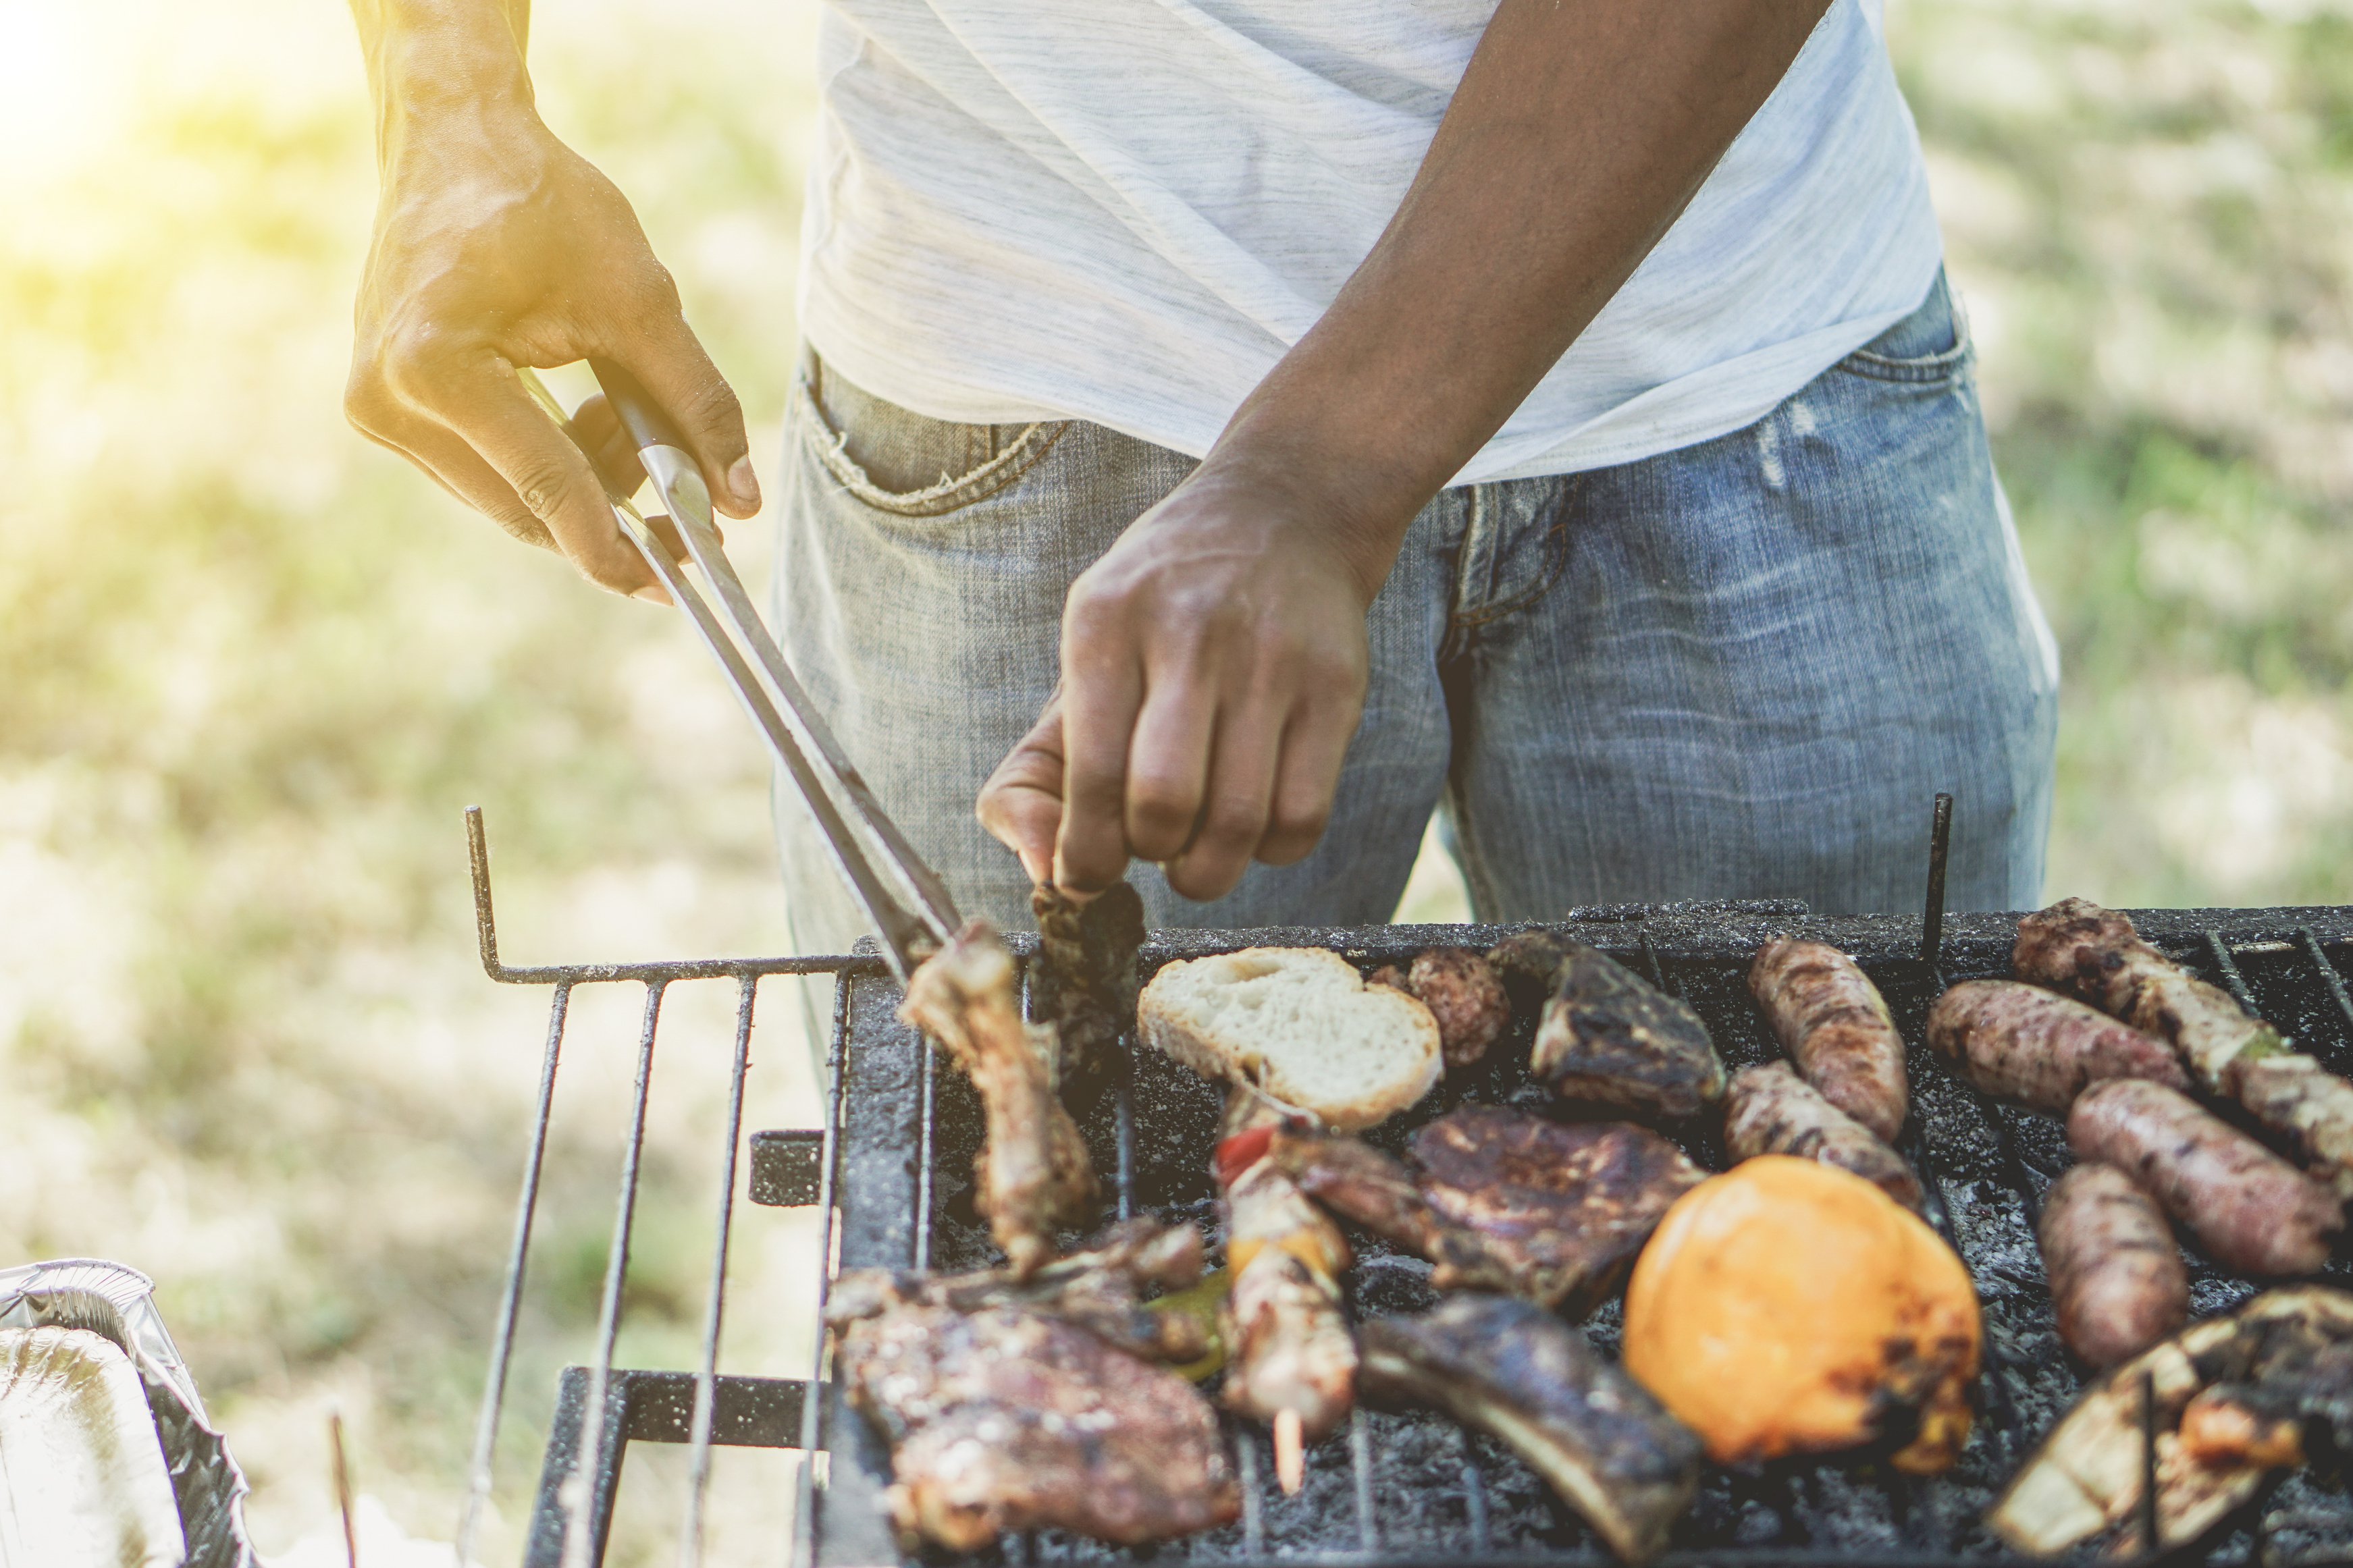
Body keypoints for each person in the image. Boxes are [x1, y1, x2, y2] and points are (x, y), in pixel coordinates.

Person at [342, 0, 2059, 952]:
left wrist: (1319, 473)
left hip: (1747, 367)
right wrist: (452, 98)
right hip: (1035, 390)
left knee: (1855, 1298)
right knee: (1027, 1324)